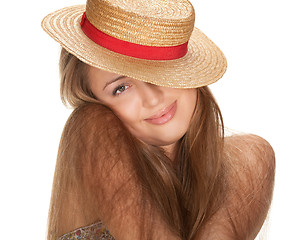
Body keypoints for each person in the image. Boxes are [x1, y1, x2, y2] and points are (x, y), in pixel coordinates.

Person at [41, 0, 275, 239]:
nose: (153, 98)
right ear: (94, 99)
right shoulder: (89, 126)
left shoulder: (248, 157)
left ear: (188, 69)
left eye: (158, 68)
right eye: (121, 88)